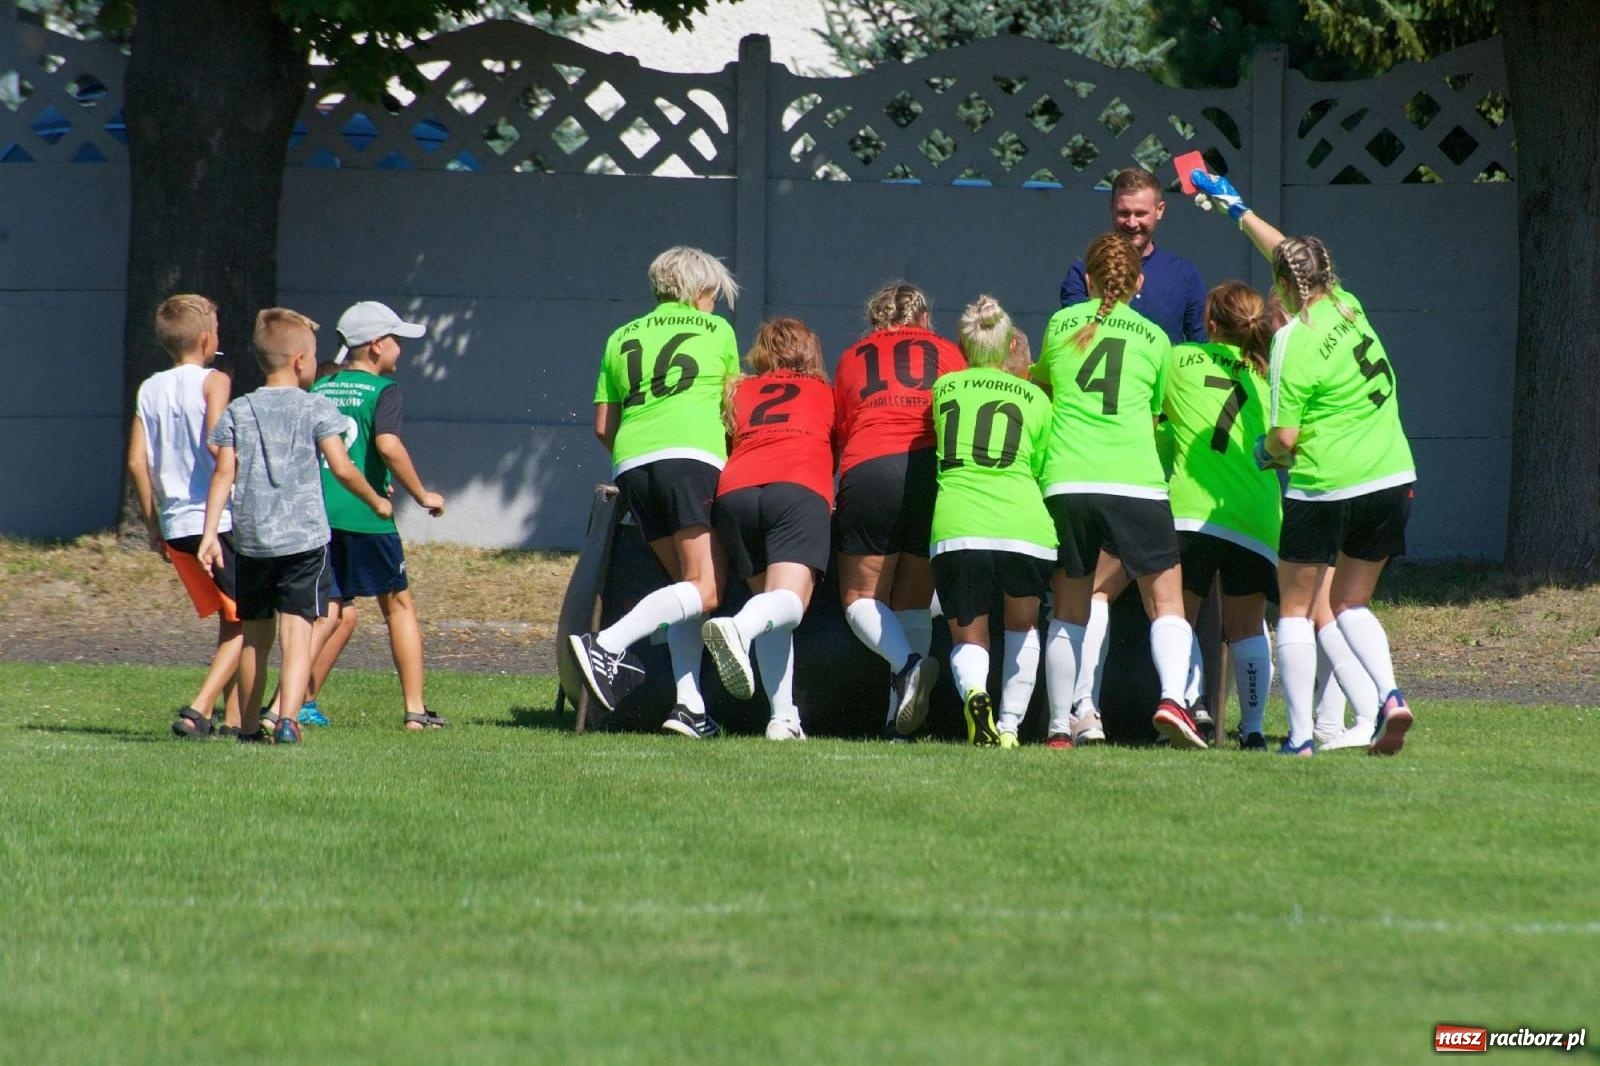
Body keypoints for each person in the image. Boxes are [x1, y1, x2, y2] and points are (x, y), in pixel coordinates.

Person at [1191, 169, 1417, 756]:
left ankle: (1297, 737)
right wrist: (1235, 208)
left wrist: (1263, 454)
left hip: (1328, 484)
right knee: (1351, 603)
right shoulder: (1347, 304)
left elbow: (1285, 439)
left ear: (1285, 288)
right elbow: (1288, 254)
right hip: (1393, 473)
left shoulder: (1293, 341)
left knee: (1294, 606)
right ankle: (1391, 697)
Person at [1034, 233, 1206, 750]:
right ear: (1139, 282)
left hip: (1067, 477)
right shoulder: (1157, 339)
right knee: (1167, 600)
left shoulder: (1060, 324)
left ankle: (1061, 726)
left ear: (1087, 280)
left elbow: (1049, 383)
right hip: (1134, 478)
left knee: (1068, 607)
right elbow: (1154, 410)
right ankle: (1175, 699)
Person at [197, 309, 392, 744]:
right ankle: (287, 720)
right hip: (305, 538)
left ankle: (247, 727)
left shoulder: (239, 410)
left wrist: (211, 534)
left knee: (255, 637)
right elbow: (341, 468)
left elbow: (223, 473)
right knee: (297, 632)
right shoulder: (316, 408)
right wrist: (376, 498)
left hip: (253, 540)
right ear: (301, 361)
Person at [570, 247, 740, 737]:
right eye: (713, 294)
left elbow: (605, 424)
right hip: (691, 457)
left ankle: (689, 707)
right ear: (700, 290)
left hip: (632, 463)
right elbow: (732, 407)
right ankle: (606, 644)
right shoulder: (719, 332)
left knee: (687, 588)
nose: (714, 303)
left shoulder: (620, 336)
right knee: (705, 587)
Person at [832, 282, 966, 740]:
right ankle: (900, 722)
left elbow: (845, 424)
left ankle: (909, 667)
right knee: (912, 600)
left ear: (875, 320)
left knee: (860, 599)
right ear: (925, 319)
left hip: (871, 463)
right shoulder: (947, 351)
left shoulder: (853, 355)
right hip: (930, 467)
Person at [307, 301, 447, 731]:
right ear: (375, 346)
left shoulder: (318, 388)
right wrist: (422, 494)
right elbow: (386, 444)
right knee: (398, 607)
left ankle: (290, 702)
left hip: (317, 515)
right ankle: (415, 711)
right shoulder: (385, 392)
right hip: (366, 514)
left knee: (331, 609)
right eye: (397, 341)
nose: (401, 350)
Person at [699, 318, 837, 740]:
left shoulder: (738, 390)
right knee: (789, 605)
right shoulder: (825, 393)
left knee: (773, 609)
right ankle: (738, 628)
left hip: (736, 492)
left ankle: (783, 718)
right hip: (796, 487)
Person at [1161, 282, 1281, 750]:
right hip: (1254, 511)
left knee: (1180, 615)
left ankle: (1189, 707)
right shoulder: (1268, 378)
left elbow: (1157, 416)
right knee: (1248, 624)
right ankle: (1251, 731)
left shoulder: (1179, 359)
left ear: (1211, 324)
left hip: (1192, 508)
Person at [931, 297, 1056, 748]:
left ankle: (976, 695)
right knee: (1023, 626)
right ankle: (1009, 727)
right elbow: (1041, 464)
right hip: (1024, 523)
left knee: (969, 631)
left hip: (959, 522)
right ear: (1009, 344)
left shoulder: (944, 389)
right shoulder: (1037, 399)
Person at [126, 293, 243, 739]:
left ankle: (233, 719)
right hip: (216, 522)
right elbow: (218, 441)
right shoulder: (214, 381)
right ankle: (199, 707)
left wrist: (155, 525)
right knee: (251, 618)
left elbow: (138, 461)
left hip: (176, 524)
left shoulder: (150, 387)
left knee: (231, 617)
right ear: (208, 337)